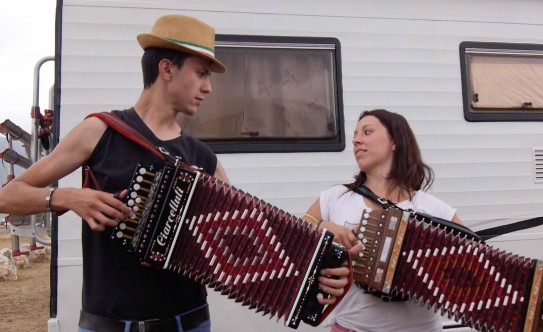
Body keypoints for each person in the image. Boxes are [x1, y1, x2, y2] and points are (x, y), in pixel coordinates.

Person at [0, 14, 354, 332]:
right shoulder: (100, 131)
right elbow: (7, 197)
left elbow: (259, 232)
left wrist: (321, 268)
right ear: (166, 68)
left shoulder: (203, 157)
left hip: (188, 322)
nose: (208, 88)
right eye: (200, 73)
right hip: (108, 323)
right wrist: (66, 196)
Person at [302, 109, 543, 331]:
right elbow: (297, 232)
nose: (356, 140)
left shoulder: (435, 211)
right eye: (355, 135)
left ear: (395, 141)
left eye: (367, 132)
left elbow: (490, 271)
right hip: (352, 328)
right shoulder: (335, 197)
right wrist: (325, 228)